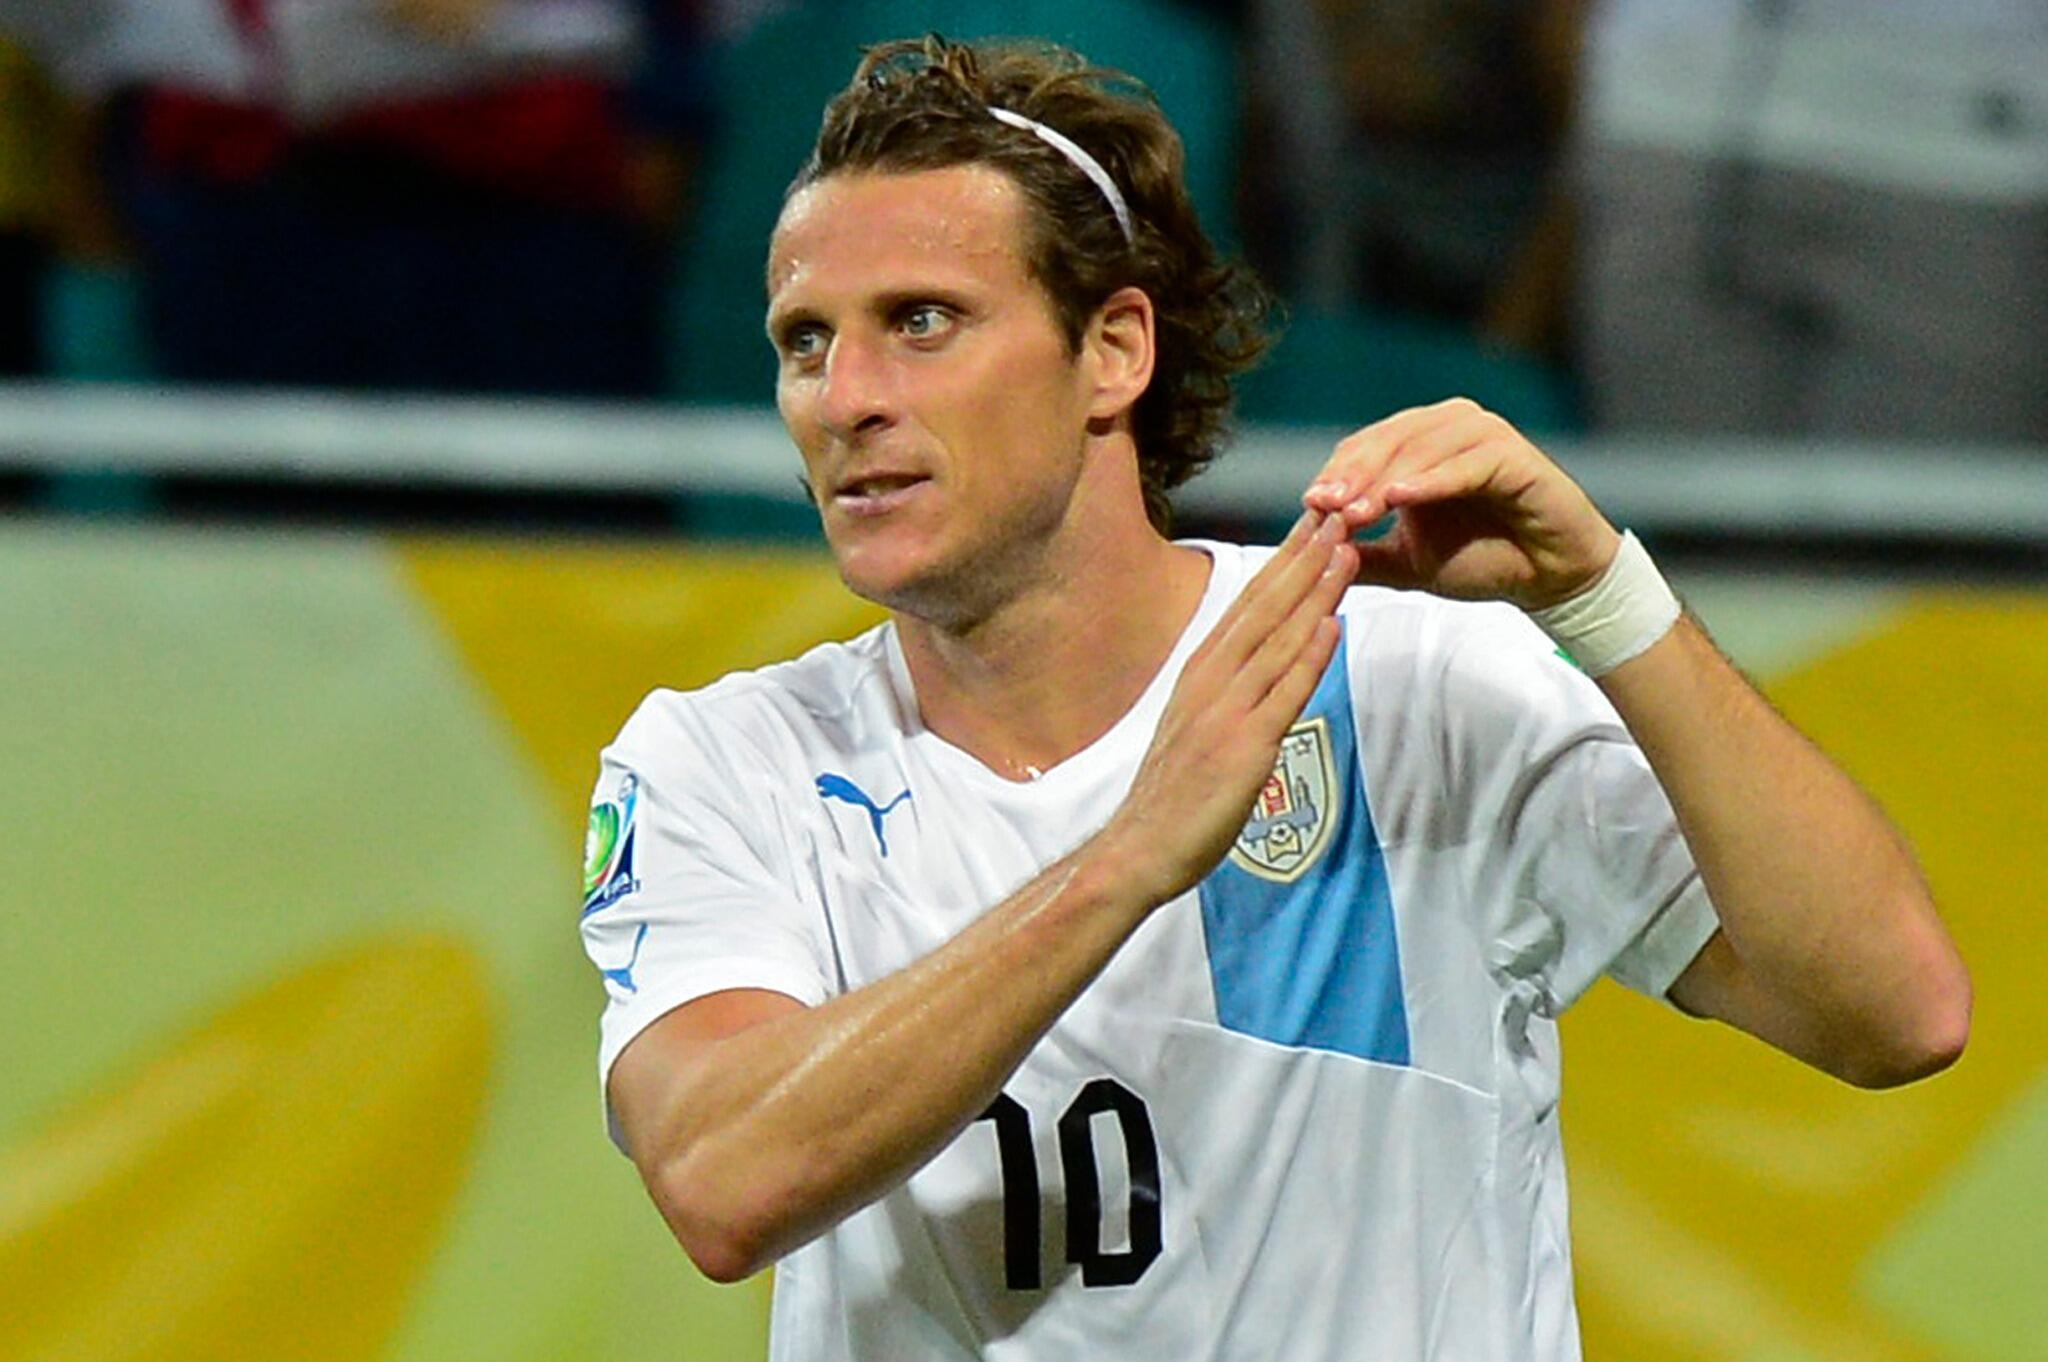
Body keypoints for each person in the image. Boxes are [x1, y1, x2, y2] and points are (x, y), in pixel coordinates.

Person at [578, 35, 1969, 1361]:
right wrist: (1128, 857)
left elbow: (1895, 1013)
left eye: (921, 322)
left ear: (1114, 350)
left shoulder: (1410, 684)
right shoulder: (724, 763)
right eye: (805, 341)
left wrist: (1606, 599)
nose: (845, 398)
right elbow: (722, 1180)